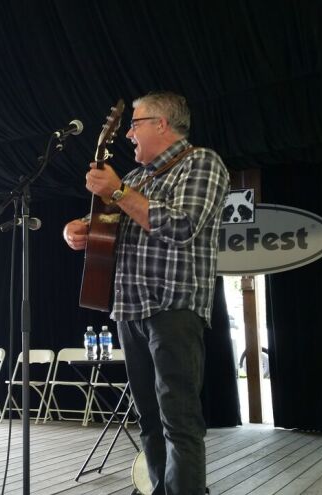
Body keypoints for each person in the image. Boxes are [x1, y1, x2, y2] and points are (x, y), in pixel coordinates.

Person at [63, 91, 228, 494]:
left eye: (134, 125)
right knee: (149, 420)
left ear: (161, 124)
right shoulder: (136, 179)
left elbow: (181, 226)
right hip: (128, 311)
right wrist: (80, 231)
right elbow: (111, 233)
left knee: (179, 418)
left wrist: (117, 192)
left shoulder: (201, 163)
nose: (129, 135)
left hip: (173, 307)